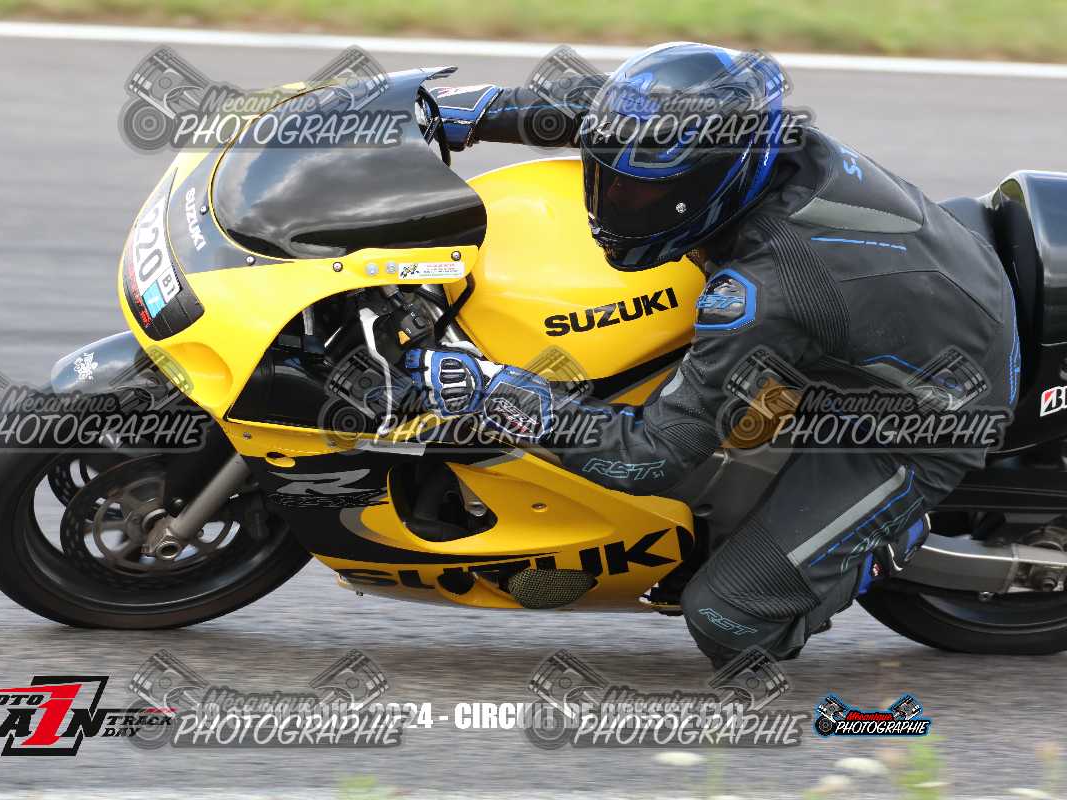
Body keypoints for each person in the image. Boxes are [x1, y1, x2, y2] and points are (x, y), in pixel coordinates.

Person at [403, 43, 1022, 666]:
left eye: (636, 196)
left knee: (727, 619)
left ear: (704, 186)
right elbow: (611, 113)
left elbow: (649, 459)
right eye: (605, 180)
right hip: (920, 289)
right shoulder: (732, 139)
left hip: (929, 408)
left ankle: (887, 540)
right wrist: (468, 110)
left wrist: (500, 397)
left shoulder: (766, 291)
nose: (607, 206)